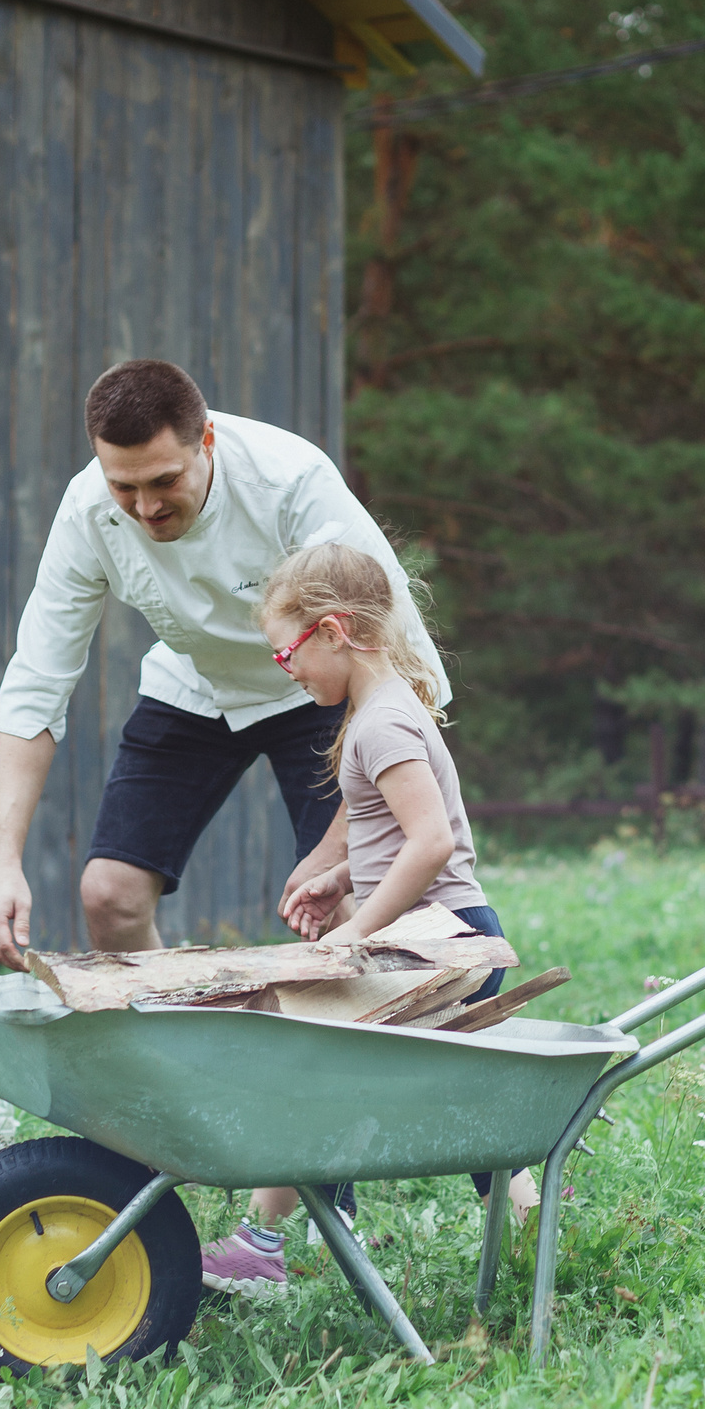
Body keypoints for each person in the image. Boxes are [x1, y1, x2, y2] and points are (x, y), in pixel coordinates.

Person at [0, 359, 447, 969]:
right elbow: (37, 684)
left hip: (320, 689)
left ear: (207, 439)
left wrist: (337, 847)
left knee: (340, 900)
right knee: (110, 895)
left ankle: (369, 1029)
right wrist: (4, 863)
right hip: (194, 683)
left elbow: (401, 655)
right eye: (124, 487)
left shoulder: (292, 481)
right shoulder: (86, 512)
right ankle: (178, 1035)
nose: (145, 507)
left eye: (164, 480)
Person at [194, 543, 540, 1298]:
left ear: (334, 629)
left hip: (439, 940)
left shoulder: (381, 723)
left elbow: (432, 842)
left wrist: (359, 931)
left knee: (311, 1064)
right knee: (460, 1094)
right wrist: (339, 877)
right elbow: (400, 836)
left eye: (286, 651)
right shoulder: (386, 709)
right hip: (453, 932)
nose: (286, 668)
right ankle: (536, 1231)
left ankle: (261, 1245)